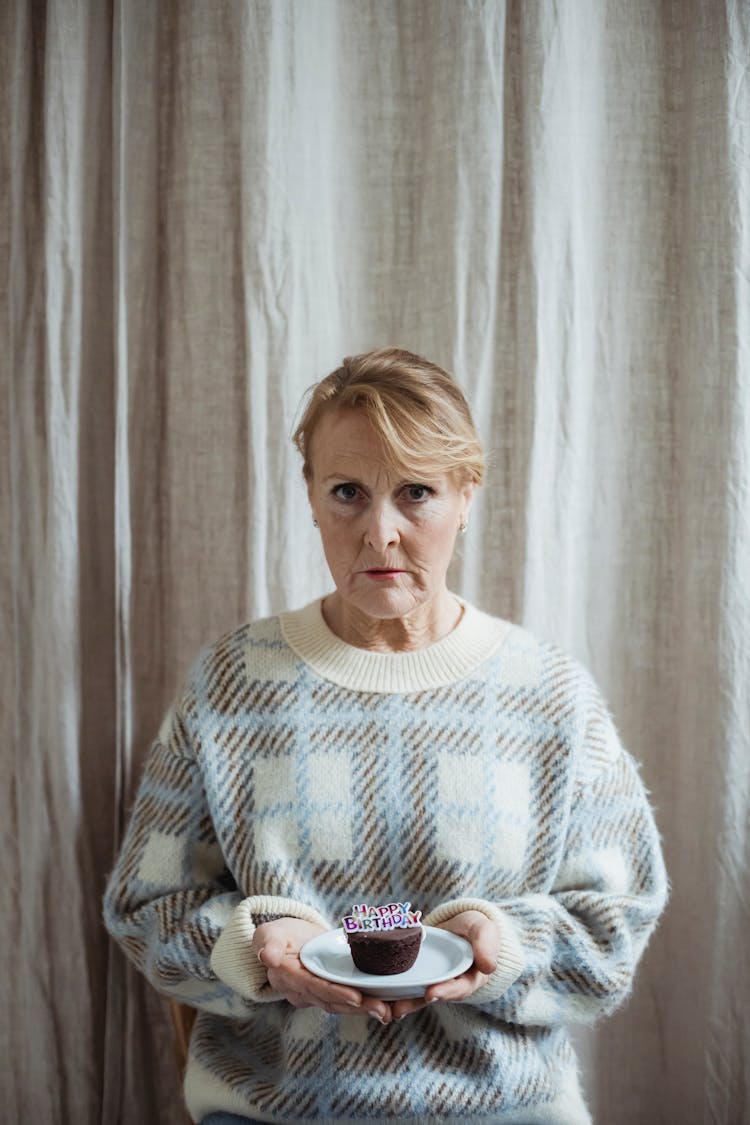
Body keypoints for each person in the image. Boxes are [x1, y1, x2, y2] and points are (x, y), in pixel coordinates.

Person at [103, 347, 668, 1125]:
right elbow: (145, 904)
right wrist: (256, 944)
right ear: (309, 495)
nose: (381, 533)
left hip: (503, 1107)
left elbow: (613, 929)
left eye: (416, 493)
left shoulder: (550, 694)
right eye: (347, 492)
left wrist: (500, 940)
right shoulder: (231, 680)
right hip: (276, 1108)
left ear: (468, 495)